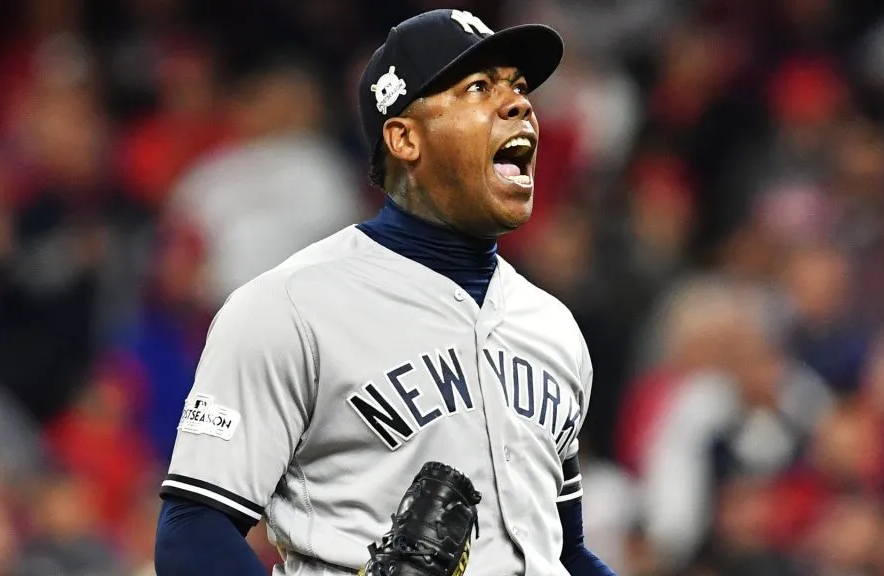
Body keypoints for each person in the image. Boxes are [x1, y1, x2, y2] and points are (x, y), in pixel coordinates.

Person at [153, 9, 615, 575]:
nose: (519, 103)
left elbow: (562, 552)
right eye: (478, 88)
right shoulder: (289, 308)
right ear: (404, 138)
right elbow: (193, 532)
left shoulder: (553, 328)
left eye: (519, 87)